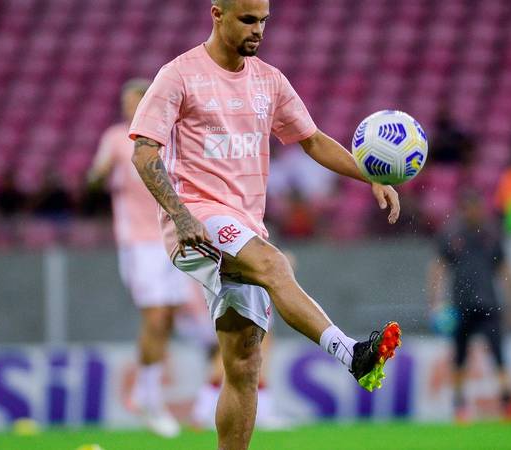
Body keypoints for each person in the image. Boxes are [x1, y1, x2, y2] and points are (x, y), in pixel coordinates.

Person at [128, 1, 402, 448]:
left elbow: (311, 139)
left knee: (244, 363)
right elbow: (143, 151)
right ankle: (351, 353)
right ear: (217, 14)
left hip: (244, 225)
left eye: (264, 21)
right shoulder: (177, 75)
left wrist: (368, 174)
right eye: (248, 20)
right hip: (198, 218)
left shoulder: (269, 81)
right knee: (275, 266)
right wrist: (181, 216)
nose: (259, 30)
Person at [89, 79, 195, 437]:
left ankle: (147, 390)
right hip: (139, 242)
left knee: (167, 318)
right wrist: (99, 175)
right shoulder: (118, 139)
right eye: (125, 102)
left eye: (134, 101)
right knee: (156, 314)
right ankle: (149, 397)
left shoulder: (170, 137)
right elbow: (91, 182)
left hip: (173, 237)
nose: (128, 108)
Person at [427, 190, 511, 422]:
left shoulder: (491, 235)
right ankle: (459, 405)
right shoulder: (452, 236)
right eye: (469, 208)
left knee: (499, 355)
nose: (473, 212)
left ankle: (508, 403)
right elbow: (438, 268)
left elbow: (505, 270)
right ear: (463, 210)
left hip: (489, 305)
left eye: (476, 208)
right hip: (461, 306)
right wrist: (435, 302)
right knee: (460, 357)